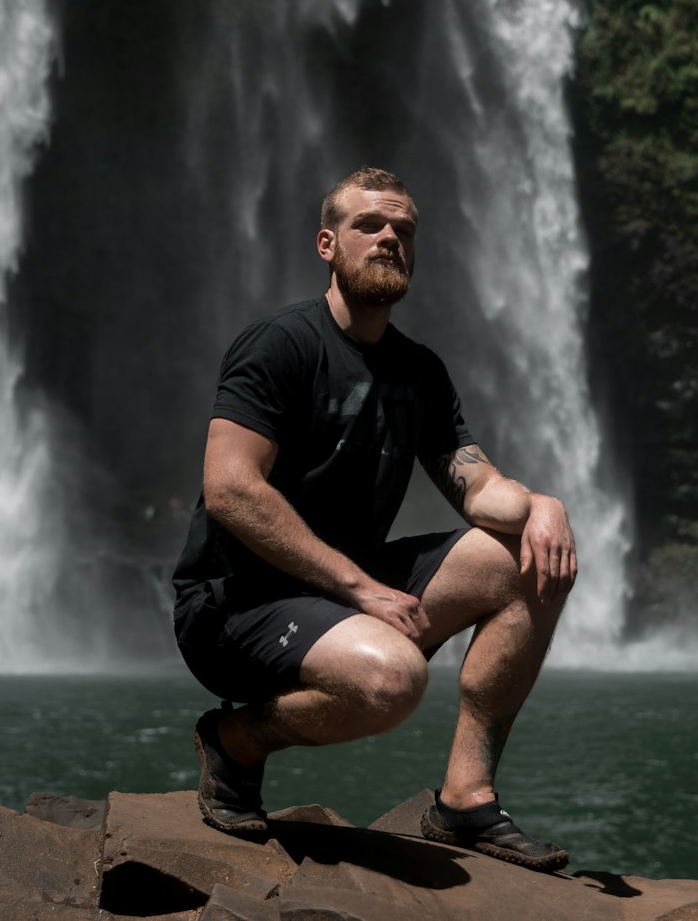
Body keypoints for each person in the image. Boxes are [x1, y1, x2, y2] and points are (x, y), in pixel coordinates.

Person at [172, 167, 577, 872]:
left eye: (405, 231)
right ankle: (233, 740)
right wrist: (361, 589)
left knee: (528, 561)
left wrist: (545, 504)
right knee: (393, 681)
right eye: (371, 225)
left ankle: (465, 800)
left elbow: (477, 488)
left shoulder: (418, 370)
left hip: (343, 593)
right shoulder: (280, 344)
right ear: (328, 244)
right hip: (234, 604)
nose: (391, 237)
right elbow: (231, 490)